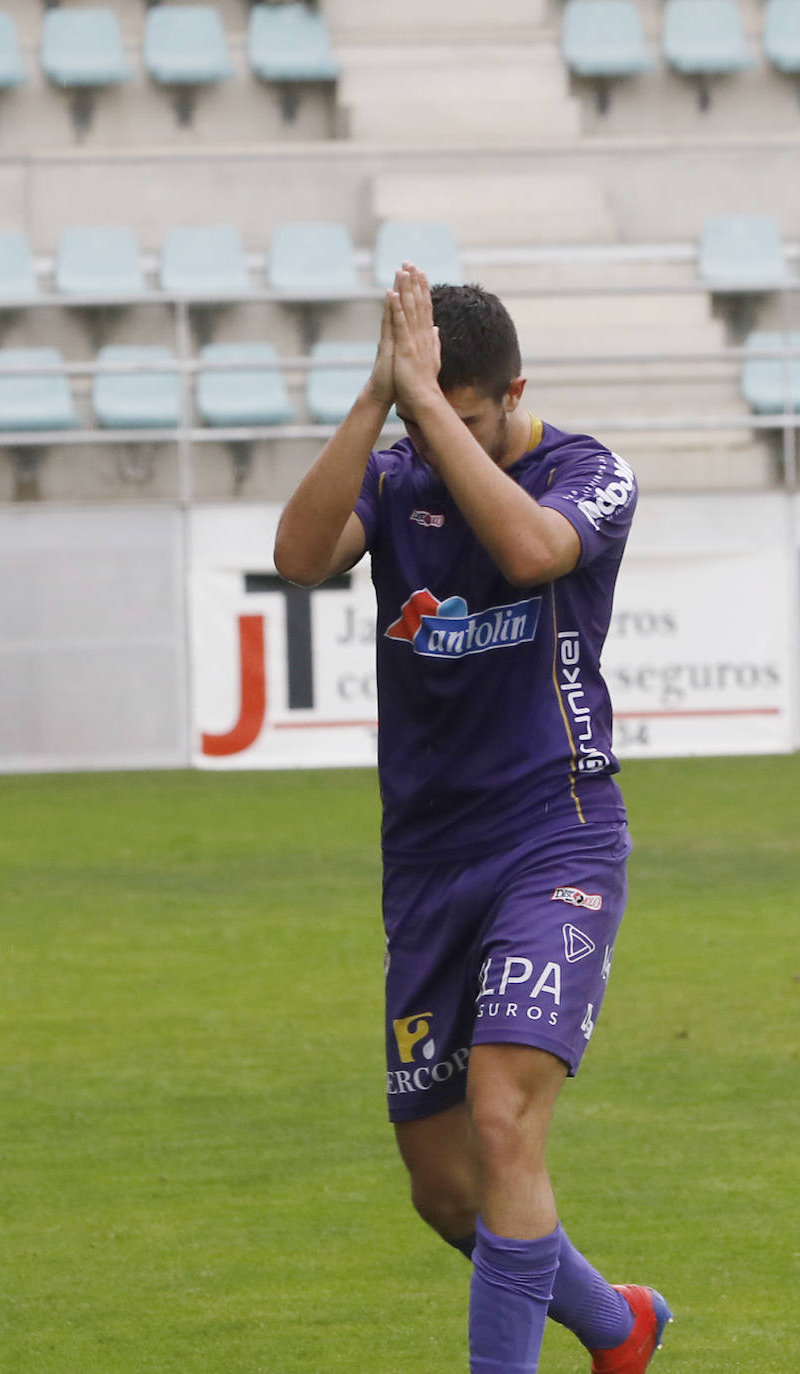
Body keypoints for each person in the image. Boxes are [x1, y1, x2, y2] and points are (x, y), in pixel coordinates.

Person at [274, 263, 671, 1374]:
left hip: (558, 831)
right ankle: (618, 1323)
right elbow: (301, 560)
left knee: (503, 1122)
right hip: (428, 859)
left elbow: (534, 552)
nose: (439, 435)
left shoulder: (587, 470)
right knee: (445, 1187)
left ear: (513, 390)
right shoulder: (394, 472)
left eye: (465, 412)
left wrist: (428, 416)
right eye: (422, 413)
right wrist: (375, 401)